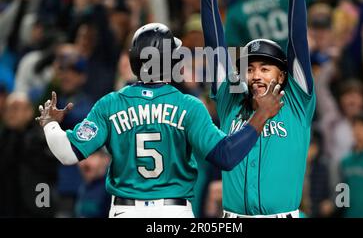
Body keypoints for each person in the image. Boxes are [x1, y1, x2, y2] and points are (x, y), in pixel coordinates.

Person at [36, 23, 285, 218]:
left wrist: (50, 124)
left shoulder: (110, 104)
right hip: (173, 212)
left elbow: (67, 154)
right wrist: (261, 115)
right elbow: (226, 156)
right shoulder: (189, 106)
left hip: (126, 211)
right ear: (173, 60)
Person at [193, 0, 315, 217]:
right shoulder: (230, 101)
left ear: (283, 75)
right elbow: (215, 49)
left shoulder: (297, 102)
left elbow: (298, 42)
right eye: (249, 68)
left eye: (265, 68)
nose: (256, 75)